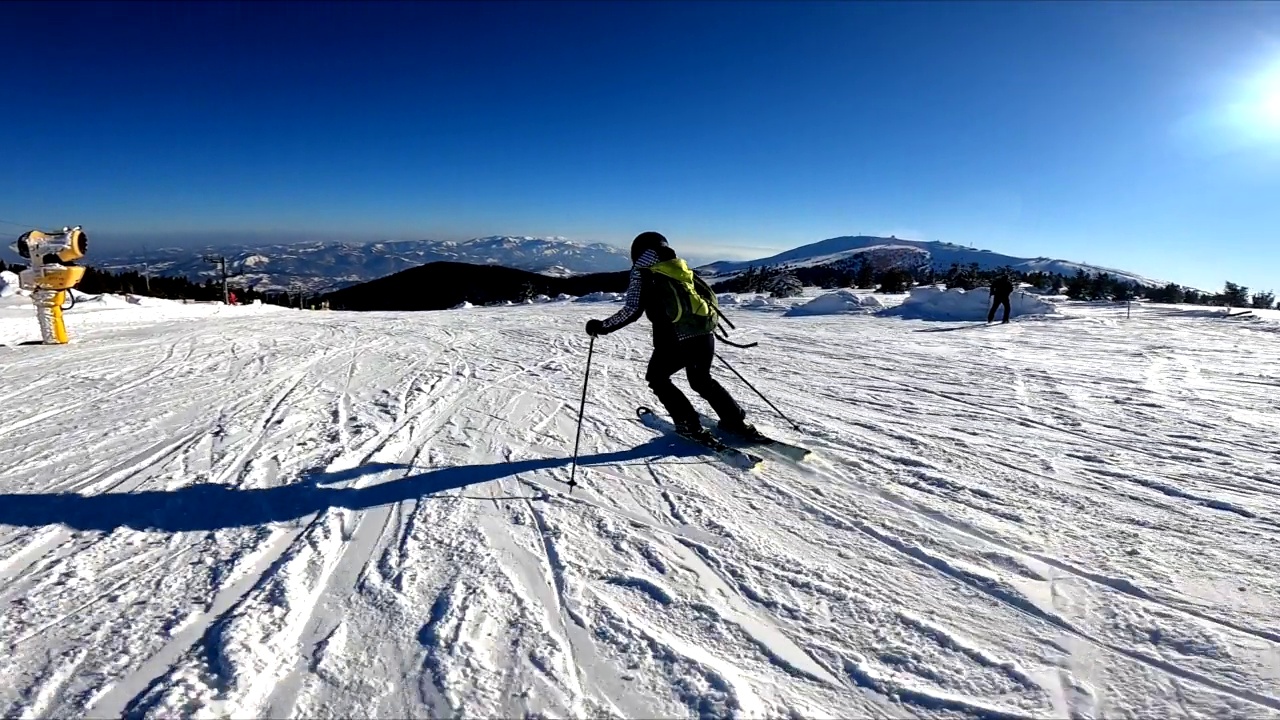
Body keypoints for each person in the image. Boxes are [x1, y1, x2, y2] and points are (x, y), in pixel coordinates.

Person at [586, 231, 763, 443]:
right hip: (703, 334)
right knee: (701, 380)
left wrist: (601, 327)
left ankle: (689, 424)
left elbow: (632, 310)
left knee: (657, 378)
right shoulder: (680, 268)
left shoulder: (642, 272)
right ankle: (735, 421)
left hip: (674, 339)